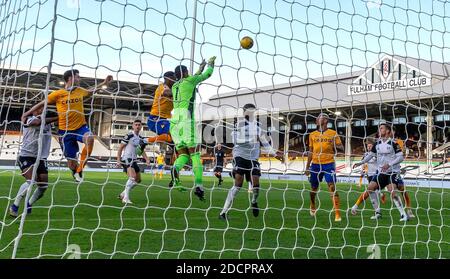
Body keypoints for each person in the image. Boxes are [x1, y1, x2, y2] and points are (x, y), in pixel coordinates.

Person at [22, 69, 113, 182]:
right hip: (64, 132)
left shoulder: (79, 90)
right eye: (78, 77)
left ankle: (80, 169)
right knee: (71, 164)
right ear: (70, 78)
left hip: (80, 127)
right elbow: (42, 103)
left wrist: (104, 83)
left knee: (90, 138)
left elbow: (90, 91)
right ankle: (75, 170)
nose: (80, 79)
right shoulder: (58, 94)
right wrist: (26, 113)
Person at [219, 103, 283, 220]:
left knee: (256, 184)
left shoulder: (257, 127)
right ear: (244, 112)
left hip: (253, 158)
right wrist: (251, 139)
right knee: (238, 184)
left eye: (253, 111)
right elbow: (235, 141)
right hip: (240, 156)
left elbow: (264, 142)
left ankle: (254, 201)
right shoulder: (237, 125)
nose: (251, 113)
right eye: (248, 111)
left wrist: (275, 153)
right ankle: (223, 212)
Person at [168, 56, 216, 201]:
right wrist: (211, 64)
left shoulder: (175, 86)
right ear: (184, 73)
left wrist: (199, 67)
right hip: (186, 119)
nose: (189, 72)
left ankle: (175, 171)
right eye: (187, 70)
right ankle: (199, 186)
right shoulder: (189, 80)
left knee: (183, 154)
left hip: (174, 121)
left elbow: (193, 77)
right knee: (195, 154)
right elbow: (206, 75)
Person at [352, 123, 409, 222]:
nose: (379, 130)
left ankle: (403, 214)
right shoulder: (377, 144)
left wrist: (389, 164)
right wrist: (360, 162)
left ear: (387, 131)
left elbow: (400, 157)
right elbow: (370, 155)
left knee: (392, 192)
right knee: (370, 188)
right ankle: (364, 209)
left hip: (392, 172)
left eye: (381, 128)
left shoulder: (393, 144)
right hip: (380, 172)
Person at [10, 108, 58, 217]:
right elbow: (38, 122)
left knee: (43, 186)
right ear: (33, 111)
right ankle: (15, 206)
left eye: (43, 109)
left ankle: (29, 204)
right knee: (31, 181)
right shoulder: (29, 119)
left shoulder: (48, 123)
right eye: (39, 109)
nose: (41, 111)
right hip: (26, 155)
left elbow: (58, 123)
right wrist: (58, 117)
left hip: (42, 158)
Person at [305, 113, 344, 222]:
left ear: (326, 120)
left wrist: (333, 144)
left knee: (332, 187)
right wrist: (307, 167)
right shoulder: (312, 134)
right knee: (313, 188)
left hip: (329, 164)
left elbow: (341, 147)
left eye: (320, 117)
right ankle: (312, 204)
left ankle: (337, 214)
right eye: (317, 118)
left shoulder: (333, 133)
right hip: (315, 165)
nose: (317, 119)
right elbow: (310, 151)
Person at [116, 119, 150, 204]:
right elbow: (120, 148)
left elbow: (141, 151)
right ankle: (125, 199)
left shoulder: (141, 138)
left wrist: (146, 158)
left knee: (138, 180)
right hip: (126, 159)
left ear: (141, 126)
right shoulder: (129, 136)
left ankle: (123, 194)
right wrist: (118, 160)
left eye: (139, 125)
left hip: (134, 160)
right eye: (136, 125)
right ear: (133, 126)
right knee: (132, 177)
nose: (138, 126)